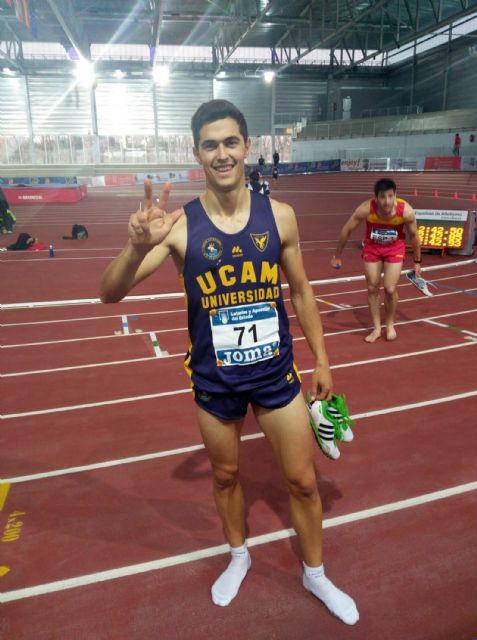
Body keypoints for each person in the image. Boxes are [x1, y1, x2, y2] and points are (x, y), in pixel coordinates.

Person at [100, 99, 359, 625]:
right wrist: (133, 248)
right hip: (215, 380)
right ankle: (239, 556)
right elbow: (110, 294)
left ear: (247, 147)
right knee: (225, 476)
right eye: (211, 144)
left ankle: (315, 574)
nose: (222, 154)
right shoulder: (178, 226)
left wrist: (323, 360)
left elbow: (303, 292)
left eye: (231, 142)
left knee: (303, 481)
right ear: (197, 153)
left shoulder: (279, 216)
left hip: (275, 375)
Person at [331, 178, 421, 343]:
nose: (386, 202)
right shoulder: (366, 209)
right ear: (376, 198)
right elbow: (347, 229)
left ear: (395, 195)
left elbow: (414, 235)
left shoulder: (406, 211)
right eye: (382, 197)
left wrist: (417, 261)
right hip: (372, 248)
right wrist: (337, 256)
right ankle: (377, 328)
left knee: (389, 288)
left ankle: (390, 324)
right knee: (372, 287)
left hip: (394, 249)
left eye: (390, 196)